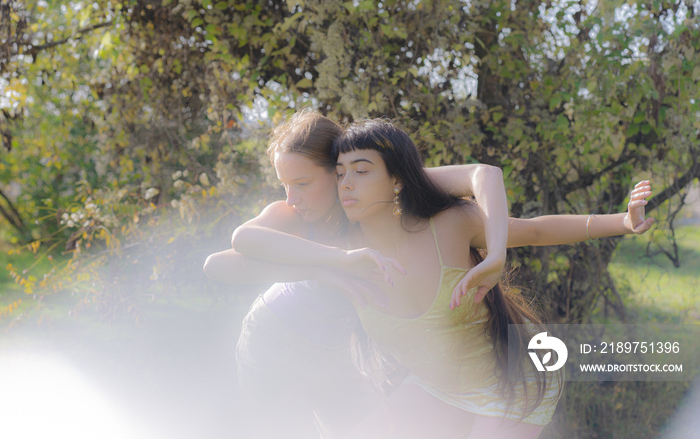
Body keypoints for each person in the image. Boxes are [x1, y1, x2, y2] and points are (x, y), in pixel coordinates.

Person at [230, 118, 653, 438]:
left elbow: (535, 228)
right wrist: (330, 265)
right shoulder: (340, 246)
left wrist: (625, 222)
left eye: (361, 171)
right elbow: (241, 246)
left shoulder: (449, 223)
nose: (347, 185)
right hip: (437, 386)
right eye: (340, 173)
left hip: (512, 381)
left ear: (396, 180)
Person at [203, 110, 512, 438]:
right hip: (272, 340)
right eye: (284, 185)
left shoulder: (375, 187)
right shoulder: (293, 213)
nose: (291, 197)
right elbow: (223, 259)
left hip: (339, 352)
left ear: (337, 169)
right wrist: (330, 265)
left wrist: (496, 250)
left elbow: (483, 176)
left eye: (303, 183)